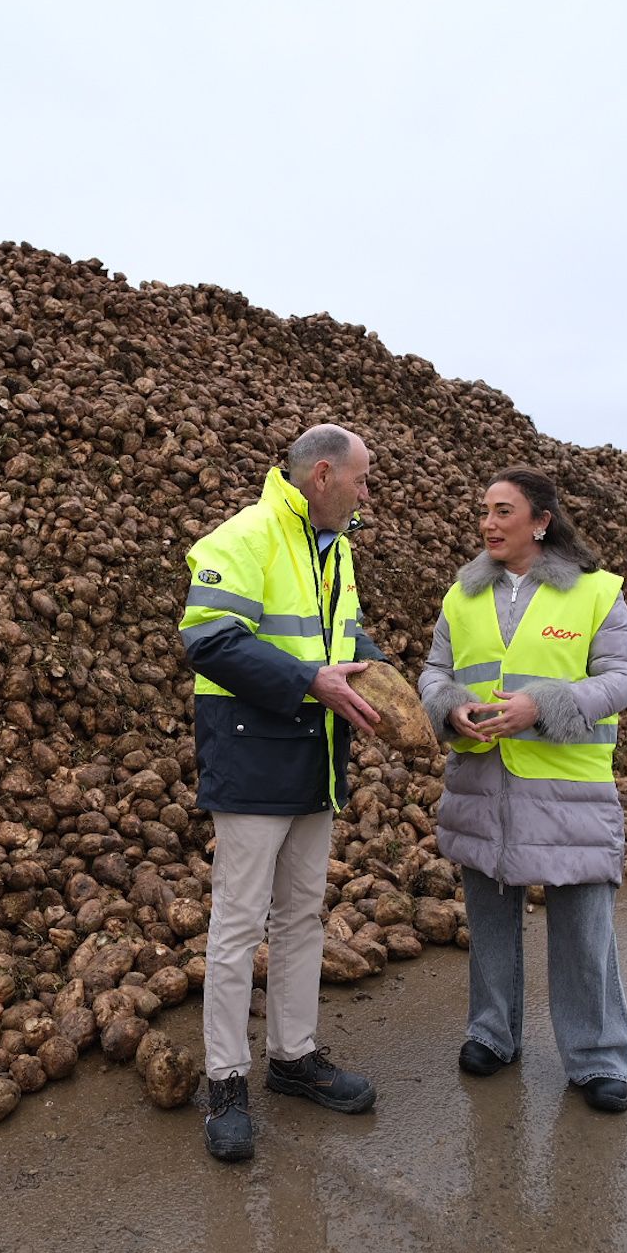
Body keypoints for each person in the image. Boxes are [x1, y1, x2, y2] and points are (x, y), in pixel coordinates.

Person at [179, 423, 385, 1162]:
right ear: (323, 474)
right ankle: (226, 1083)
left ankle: (293, 1058)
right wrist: (310, 682)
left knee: (302, 915)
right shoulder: (244, 536)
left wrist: (381, 676)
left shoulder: (340, 549)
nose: (367, 495)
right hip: (252, 756)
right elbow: (209, 638)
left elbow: (346, 640)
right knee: (238, 927)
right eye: (361, 480)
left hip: (315, 758)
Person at [416, 466, 627, 1112]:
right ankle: (492, 1033)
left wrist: (543, 705)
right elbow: (435, 671)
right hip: (483, 787)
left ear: (540, 521)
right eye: (485, 511)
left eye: (502, 511)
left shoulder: (597, 593)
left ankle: (599, 1059)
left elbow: (625, 677)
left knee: (583, 929)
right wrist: (450, 706)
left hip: (566, 790)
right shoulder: (460, 597)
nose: (488, 522)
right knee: (490, 921)